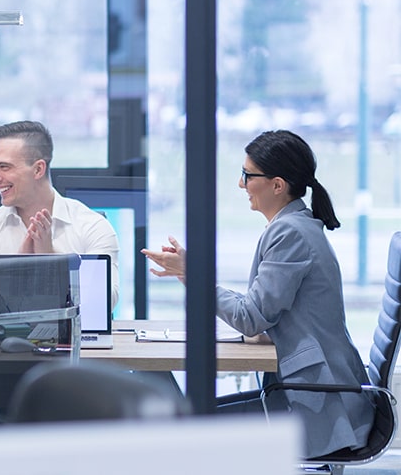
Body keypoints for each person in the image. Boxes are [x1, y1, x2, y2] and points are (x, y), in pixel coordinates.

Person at [141, 130, 374, 459]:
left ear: (277, 185)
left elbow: (250, 319)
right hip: (309, 396)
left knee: (181, 430)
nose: (241, 184)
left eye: (247, 176)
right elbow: (260, 312)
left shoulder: (290, 233)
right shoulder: (293, 226)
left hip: (318, 408)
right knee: (181, 422)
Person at [0, 121, 120, 306]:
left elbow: (106, 302)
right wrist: (17, 269)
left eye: (4, 167)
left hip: (76, 335)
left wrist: (52, 259)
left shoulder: (92, 226)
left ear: (38, 169)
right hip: (6, 336)